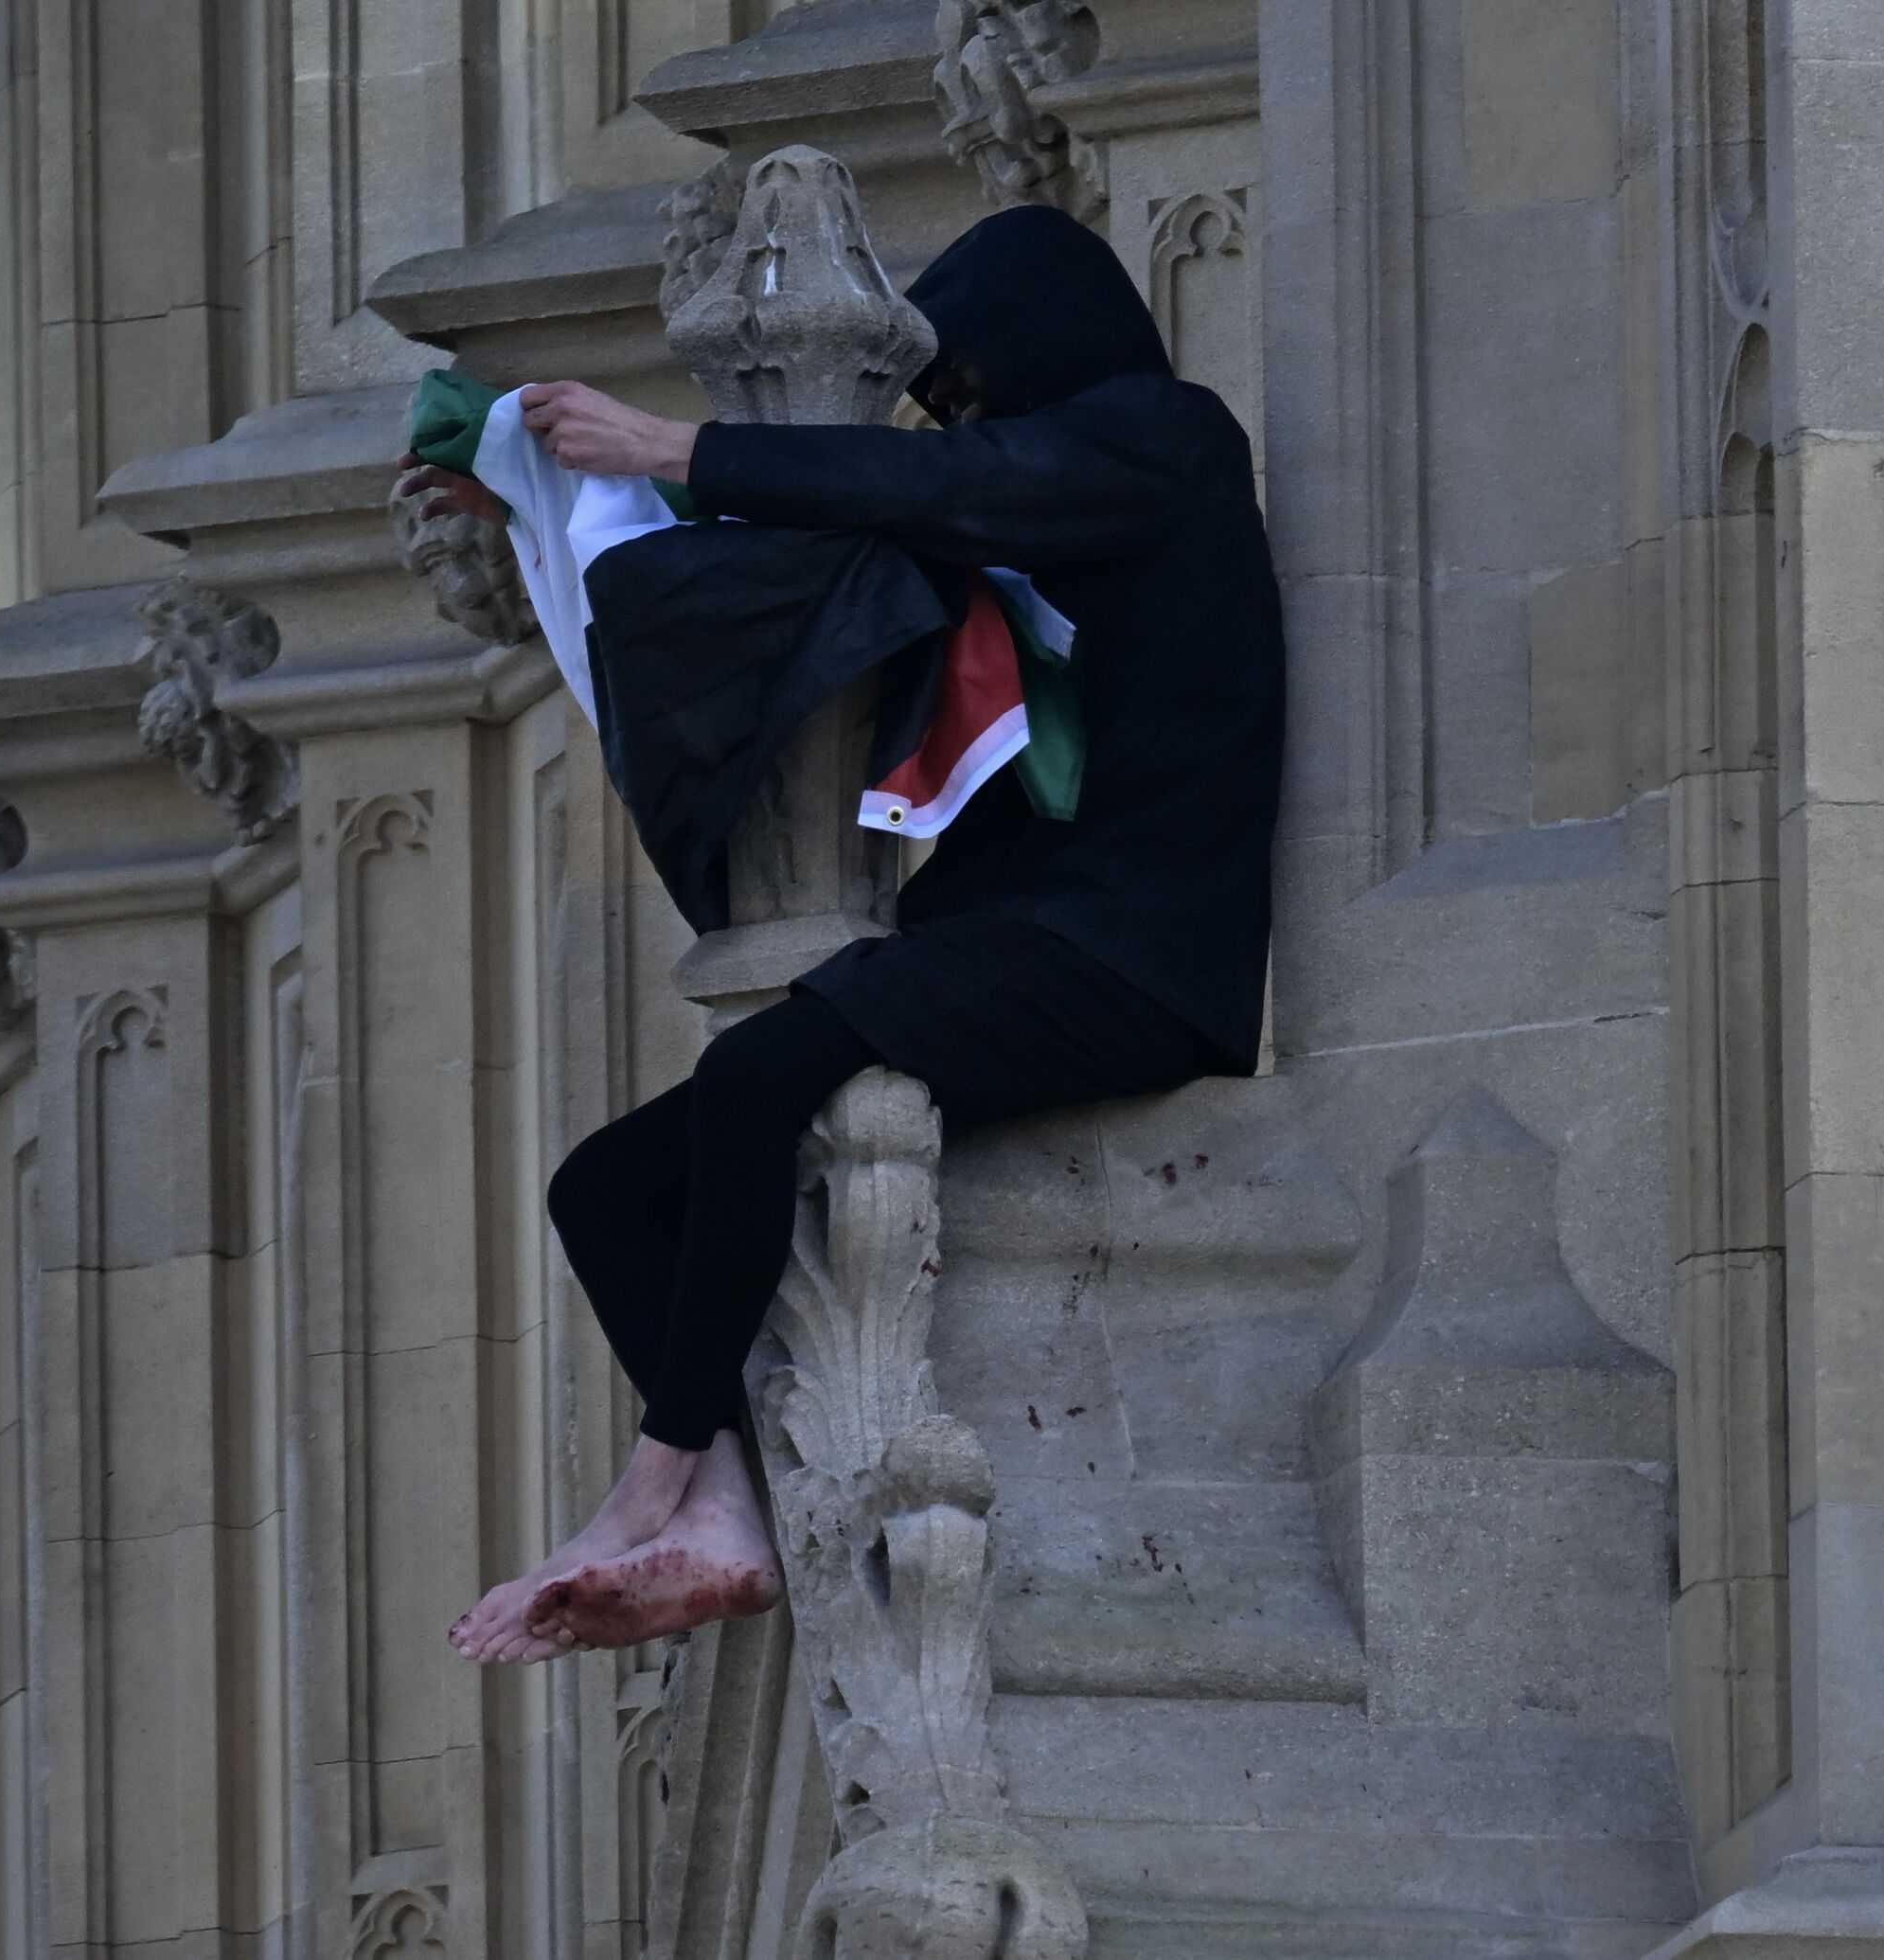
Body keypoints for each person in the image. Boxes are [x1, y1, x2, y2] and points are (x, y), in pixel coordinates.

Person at [449, 205, 1286, 1664]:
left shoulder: (1168, 440)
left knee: (762, 1080)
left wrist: (663, 448)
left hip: (1136, 952)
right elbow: (833, 548)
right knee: (607, 1187)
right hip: (1036, 928)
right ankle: (724, 1512)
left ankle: (658, 1476)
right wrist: (535, 498)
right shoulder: (1061, 495)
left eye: (961, 386)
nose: (955, 419)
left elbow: (938, 483)